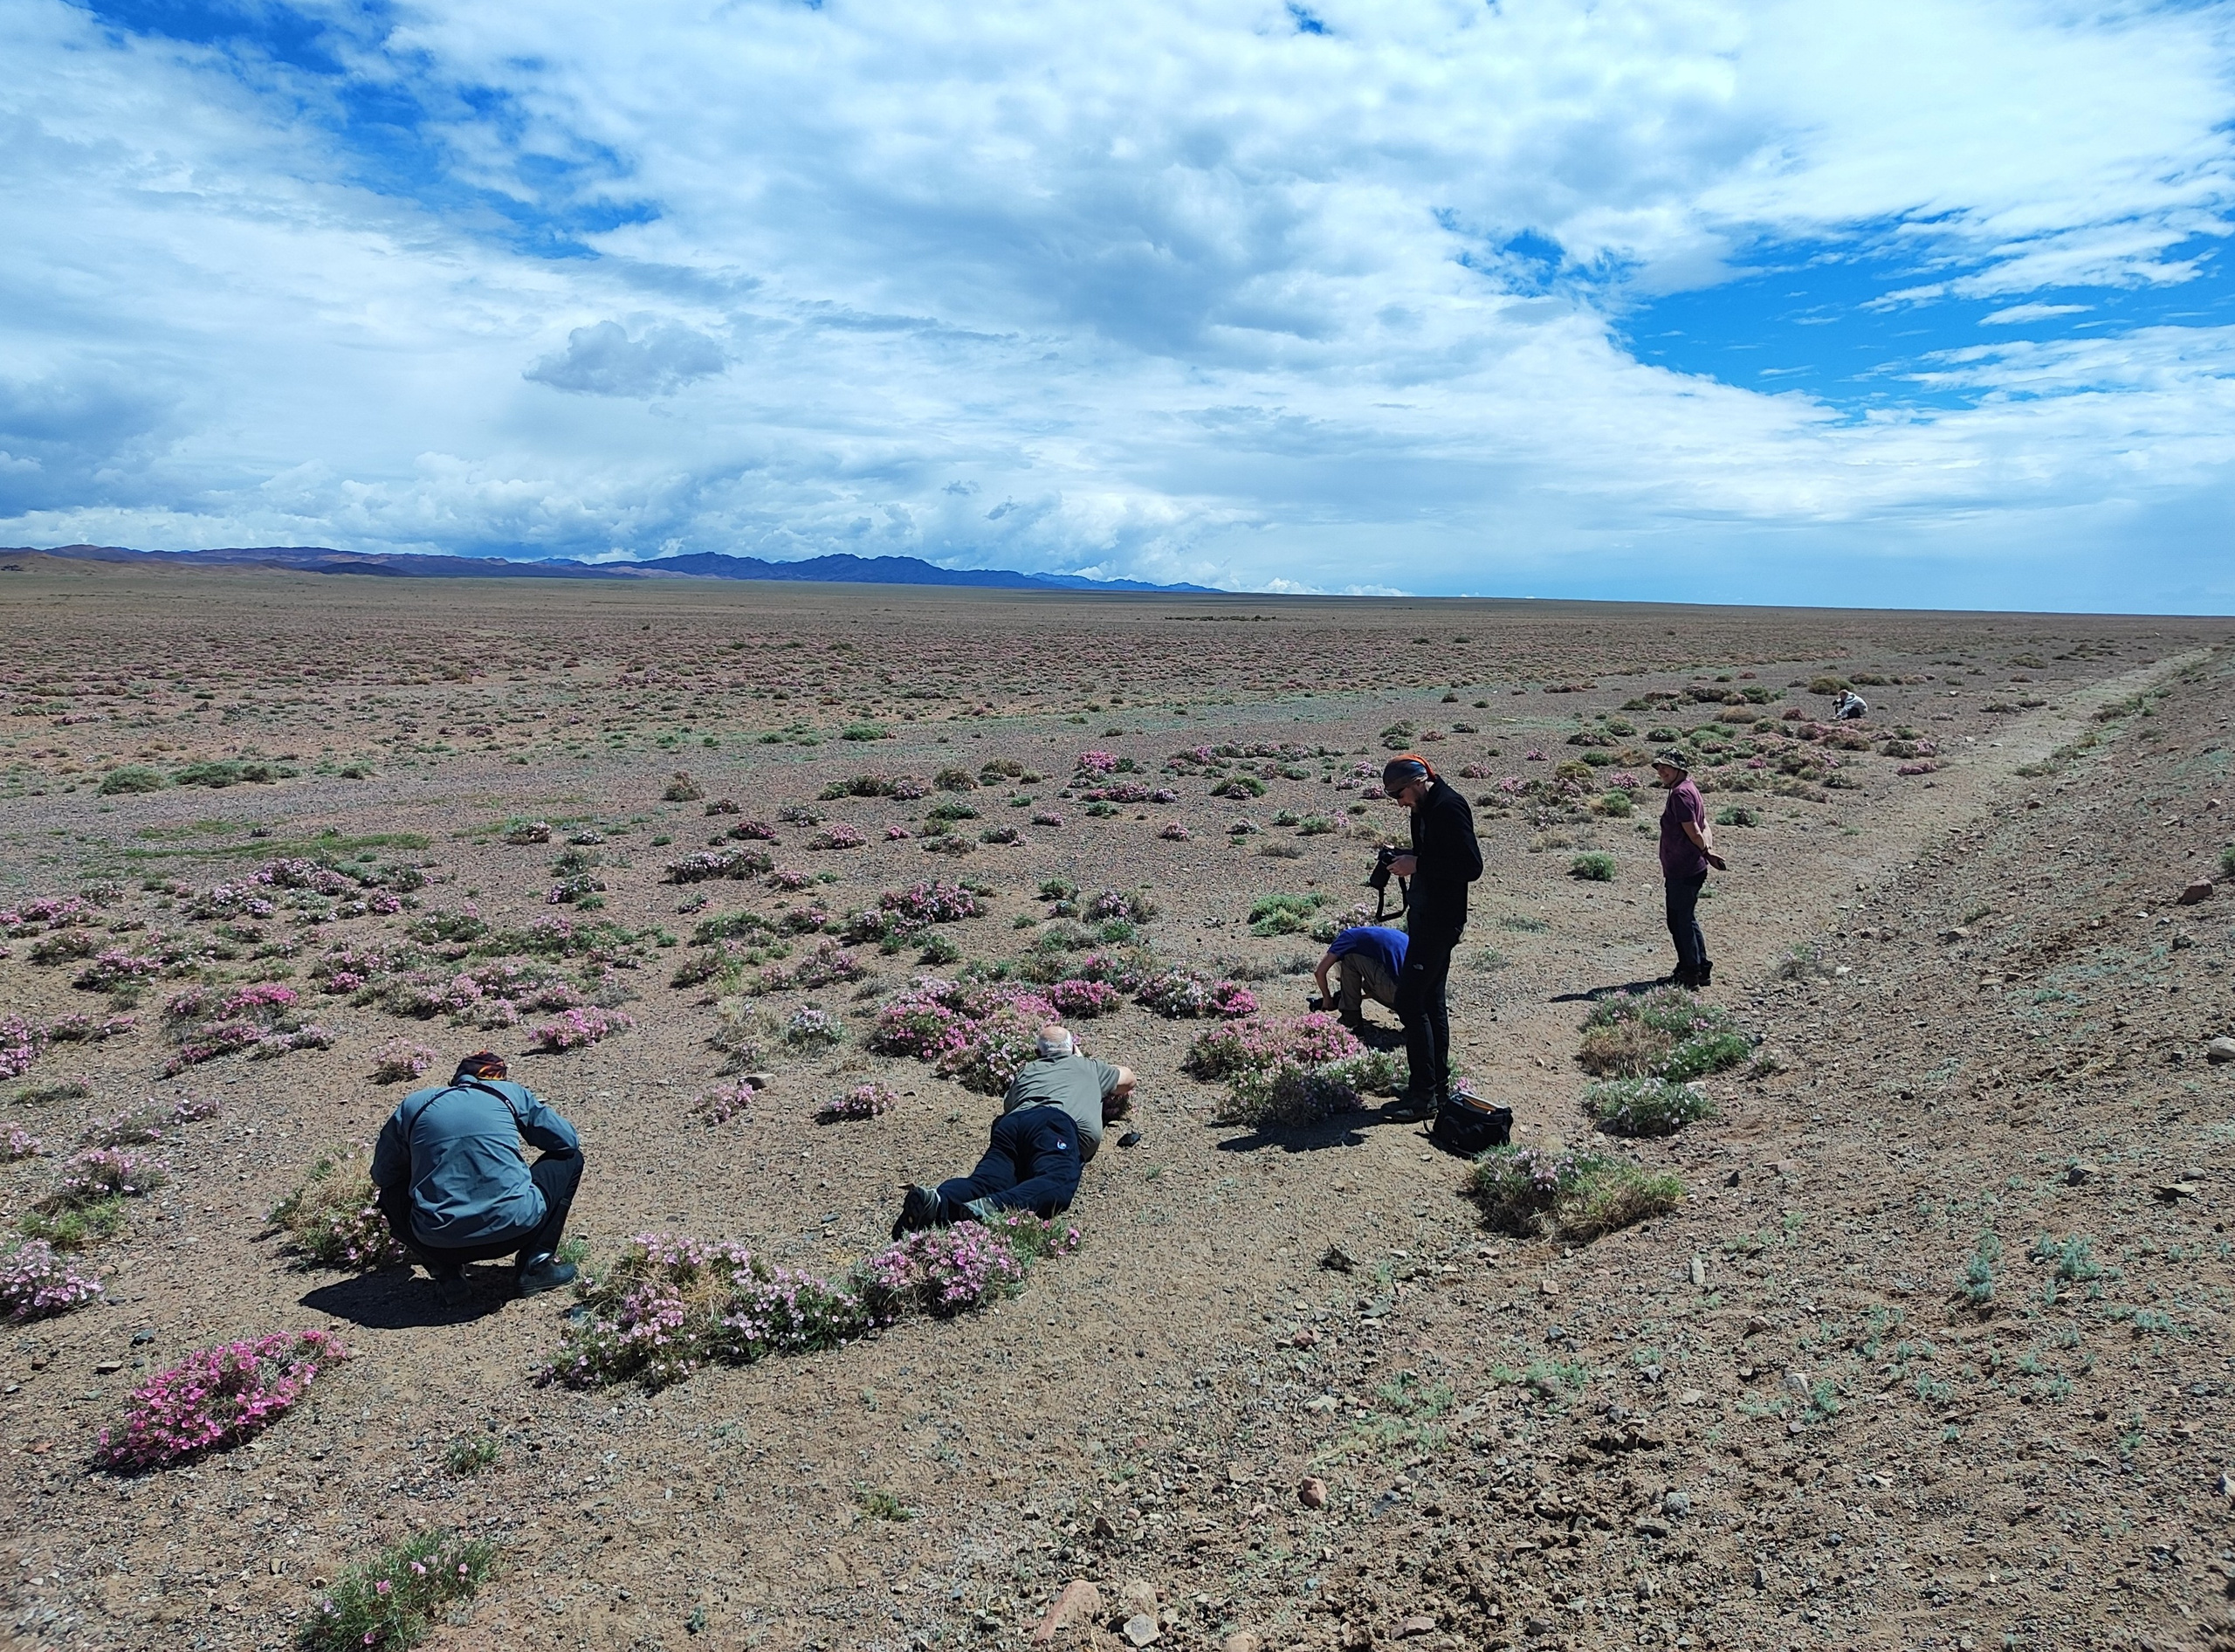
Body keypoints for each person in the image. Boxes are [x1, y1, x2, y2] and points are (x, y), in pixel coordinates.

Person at [370, 1051, 585, 1301]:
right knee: (570, 1159)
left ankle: (447, 1275)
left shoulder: (415, 1104)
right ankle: (535, 1267)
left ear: (457, 1079)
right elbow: (567, 1142)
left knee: (391, 1192)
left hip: (439, 1243)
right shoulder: (509, 1093)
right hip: (516, 1230)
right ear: (499, 1079)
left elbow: (383, 1175)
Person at [892, 1026, 1134, 1236]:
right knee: (1057, 1183)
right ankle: (995, 1207)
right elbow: (1128, 1079)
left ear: (1037, 1053)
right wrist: (1086, 1062)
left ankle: (938, 1200)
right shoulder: (1088, 1066)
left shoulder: (1028, 1070)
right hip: (1054, 1124)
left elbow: (1009, 1105)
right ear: (1073, 1048)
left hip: (1012, 1126)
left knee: (985, 1181)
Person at [1379, 754, 1483, 1122]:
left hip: (1442, 920)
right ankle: (1434, 1087)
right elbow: (1435, 853)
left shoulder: (1449, 806)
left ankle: (1423, 1096)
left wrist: (1418, 864)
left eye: (1401, 795)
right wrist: (1407, 856)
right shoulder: (1422, 809)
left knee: (1410, 1000)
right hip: (1426, 916)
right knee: (1431, 1000)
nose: (1400, 803)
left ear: (1419, 781)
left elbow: (1471, 866)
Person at [1653, 750, 1727, 990]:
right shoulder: (1689, 788)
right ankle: (1701, 968)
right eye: (1659, 767)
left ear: (1680, 768)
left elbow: (1695, 830)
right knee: (1687, 919)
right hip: (1689, 867)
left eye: (1666, 767)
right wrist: (1709, 851)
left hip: (1683, 869)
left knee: (1679, 921)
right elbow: (1704, 825)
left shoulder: (1680, 795)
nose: (1661, 771)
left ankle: (1689, 973)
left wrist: (1706, 851)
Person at [1311, 923, 1408, 1029]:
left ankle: (1350, 1018)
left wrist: (1327, 999)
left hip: (1396, 992)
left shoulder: (1346, 938)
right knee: (1366, 984)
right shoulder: (1382, 936)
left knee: (1349, 958)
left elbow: (1319, 973)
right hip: (1416, 999)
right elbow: (1373, 988)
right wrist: (1344, 999)